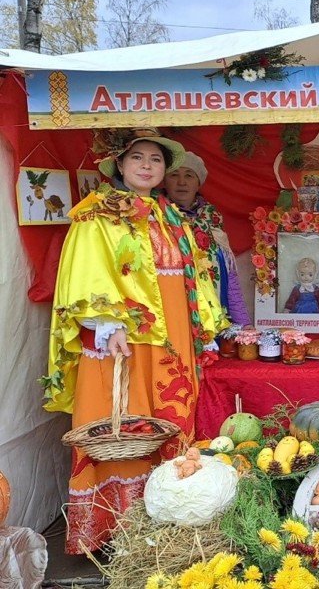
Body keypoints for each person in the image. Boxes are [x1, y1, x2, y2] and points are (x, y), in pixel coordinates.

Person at [42, 128, 227, 554]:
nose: (147, 166)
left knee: (171, 409)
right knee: (124, 413)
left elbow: (194, 273)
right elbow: (86, 268)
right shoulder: (98, 214)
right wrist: (106, 322)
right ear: (120, 165)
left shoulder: (171, 214)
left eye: (156, 160)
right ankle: (118, 527)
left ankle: (170, 514)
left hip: (174, 332)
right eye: (138, 158)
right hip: (124, 334)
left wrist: (208, 324)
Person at [163, 152, 252, 327]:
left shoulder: (211, 217)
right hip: (171, 315)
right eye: (174, 175)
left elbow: (229, 274)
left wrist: (243, 323)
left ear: (198, 183)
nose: (182, 182)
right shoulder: (155, 215)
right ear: (164, 181)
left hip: (212, 314)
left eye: (189, 175)